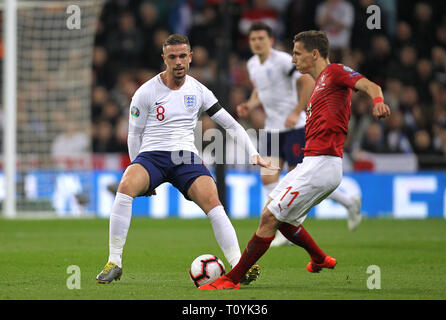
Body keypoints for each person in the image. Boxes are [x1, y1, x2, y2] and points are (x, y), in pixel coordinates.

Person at [199, 30, 391, 290]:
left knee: (268, 217)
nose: (293, 60)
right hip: (312, 162)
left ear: (314, 54)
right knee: (281, 217)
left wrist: (378, 101)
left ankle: (232, 279)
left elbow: (370, 85)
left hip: (322, 163)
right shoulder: (319, 84)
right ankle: (320, 258)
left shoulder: (334, 72)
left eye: (297, 54)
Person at [96, 34, 278, 284]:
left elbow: (230, 124)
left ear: (190, 57)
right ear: (164, 59)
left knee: (213, 200)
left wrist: (253, 153)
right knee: (126, 185)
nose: (178, 62)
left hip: (185, 156)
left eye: (183, 56)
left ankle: (239, 266)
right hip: (152, 155)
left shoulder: (200, 91)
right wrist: (137, 167)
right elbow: (134, 135)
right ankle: (114, 261)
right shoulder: (145, 92)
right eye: (172, 57)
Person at [237, 22, 362, 244]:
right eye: (253, 39)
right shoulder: (252, 64)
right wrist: (251, 103)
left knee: (302, 179)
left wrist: (296, 111)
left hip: (295, 127)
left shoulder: (285, 61)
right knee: (267, 176)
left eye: (261, 38)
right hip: (273, 129)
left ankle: (346, 204)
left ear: (270, 41)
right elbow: (261, 88)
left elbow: (305, 81)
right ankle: (284, 222)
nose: (257, 43)